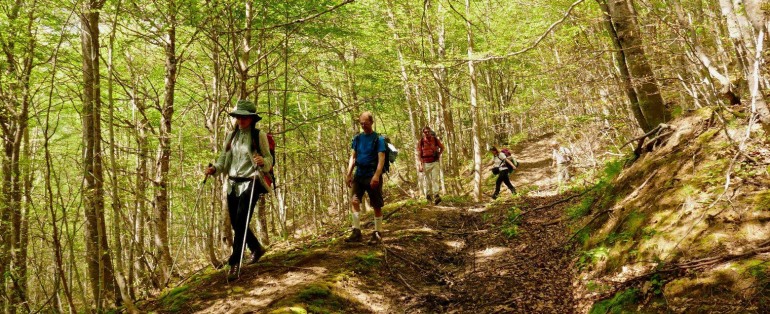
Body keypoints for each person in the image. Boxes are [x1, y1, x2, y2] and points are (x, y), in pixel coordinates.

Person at [205, 99, 272, 280]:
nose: (241, 120)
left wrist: (263, 162)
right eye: (238, 117)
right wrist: (214, 169)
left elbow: (268, 158)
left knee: (242, 220)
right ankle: (256, 248)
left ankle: (235, 262)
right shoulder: (231, 136)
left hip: (252, 181)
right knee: (236, 223)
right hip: (232, 184)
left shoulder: (259, 136)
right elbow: (223, 160)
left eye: (244, 117)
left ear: (251, 119)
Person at [345, 112, 387, 245]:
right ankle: (356, 231)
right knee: (354, 201)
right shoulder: (357, 138)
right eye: (361, 123)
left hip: (372, 175)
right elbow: (353, 157)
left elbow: (381, 158)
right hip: (359, 175)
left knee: (376, 204)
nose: (363, 126)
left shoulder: (378, 139)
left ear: (371, 122)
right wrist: (348, 174)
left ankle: (377, 233)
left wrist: (376, 175)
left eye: (365, 123)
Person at [417, 126, 445, 204]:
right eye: (425, 132)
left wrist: (439, 154)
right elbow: (419, 153)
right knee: (427, 180)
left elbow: (442, 147)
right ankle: (428, 195)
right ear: (423, 133)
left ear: (430, 131)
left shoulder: (435, 140)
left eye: (428, 131)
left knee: (435, 179)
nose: (427, 133)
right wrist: (420, 164)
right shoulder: (421, 141)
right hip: (425, 163)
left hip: (434, 162)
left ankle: (436, 195)